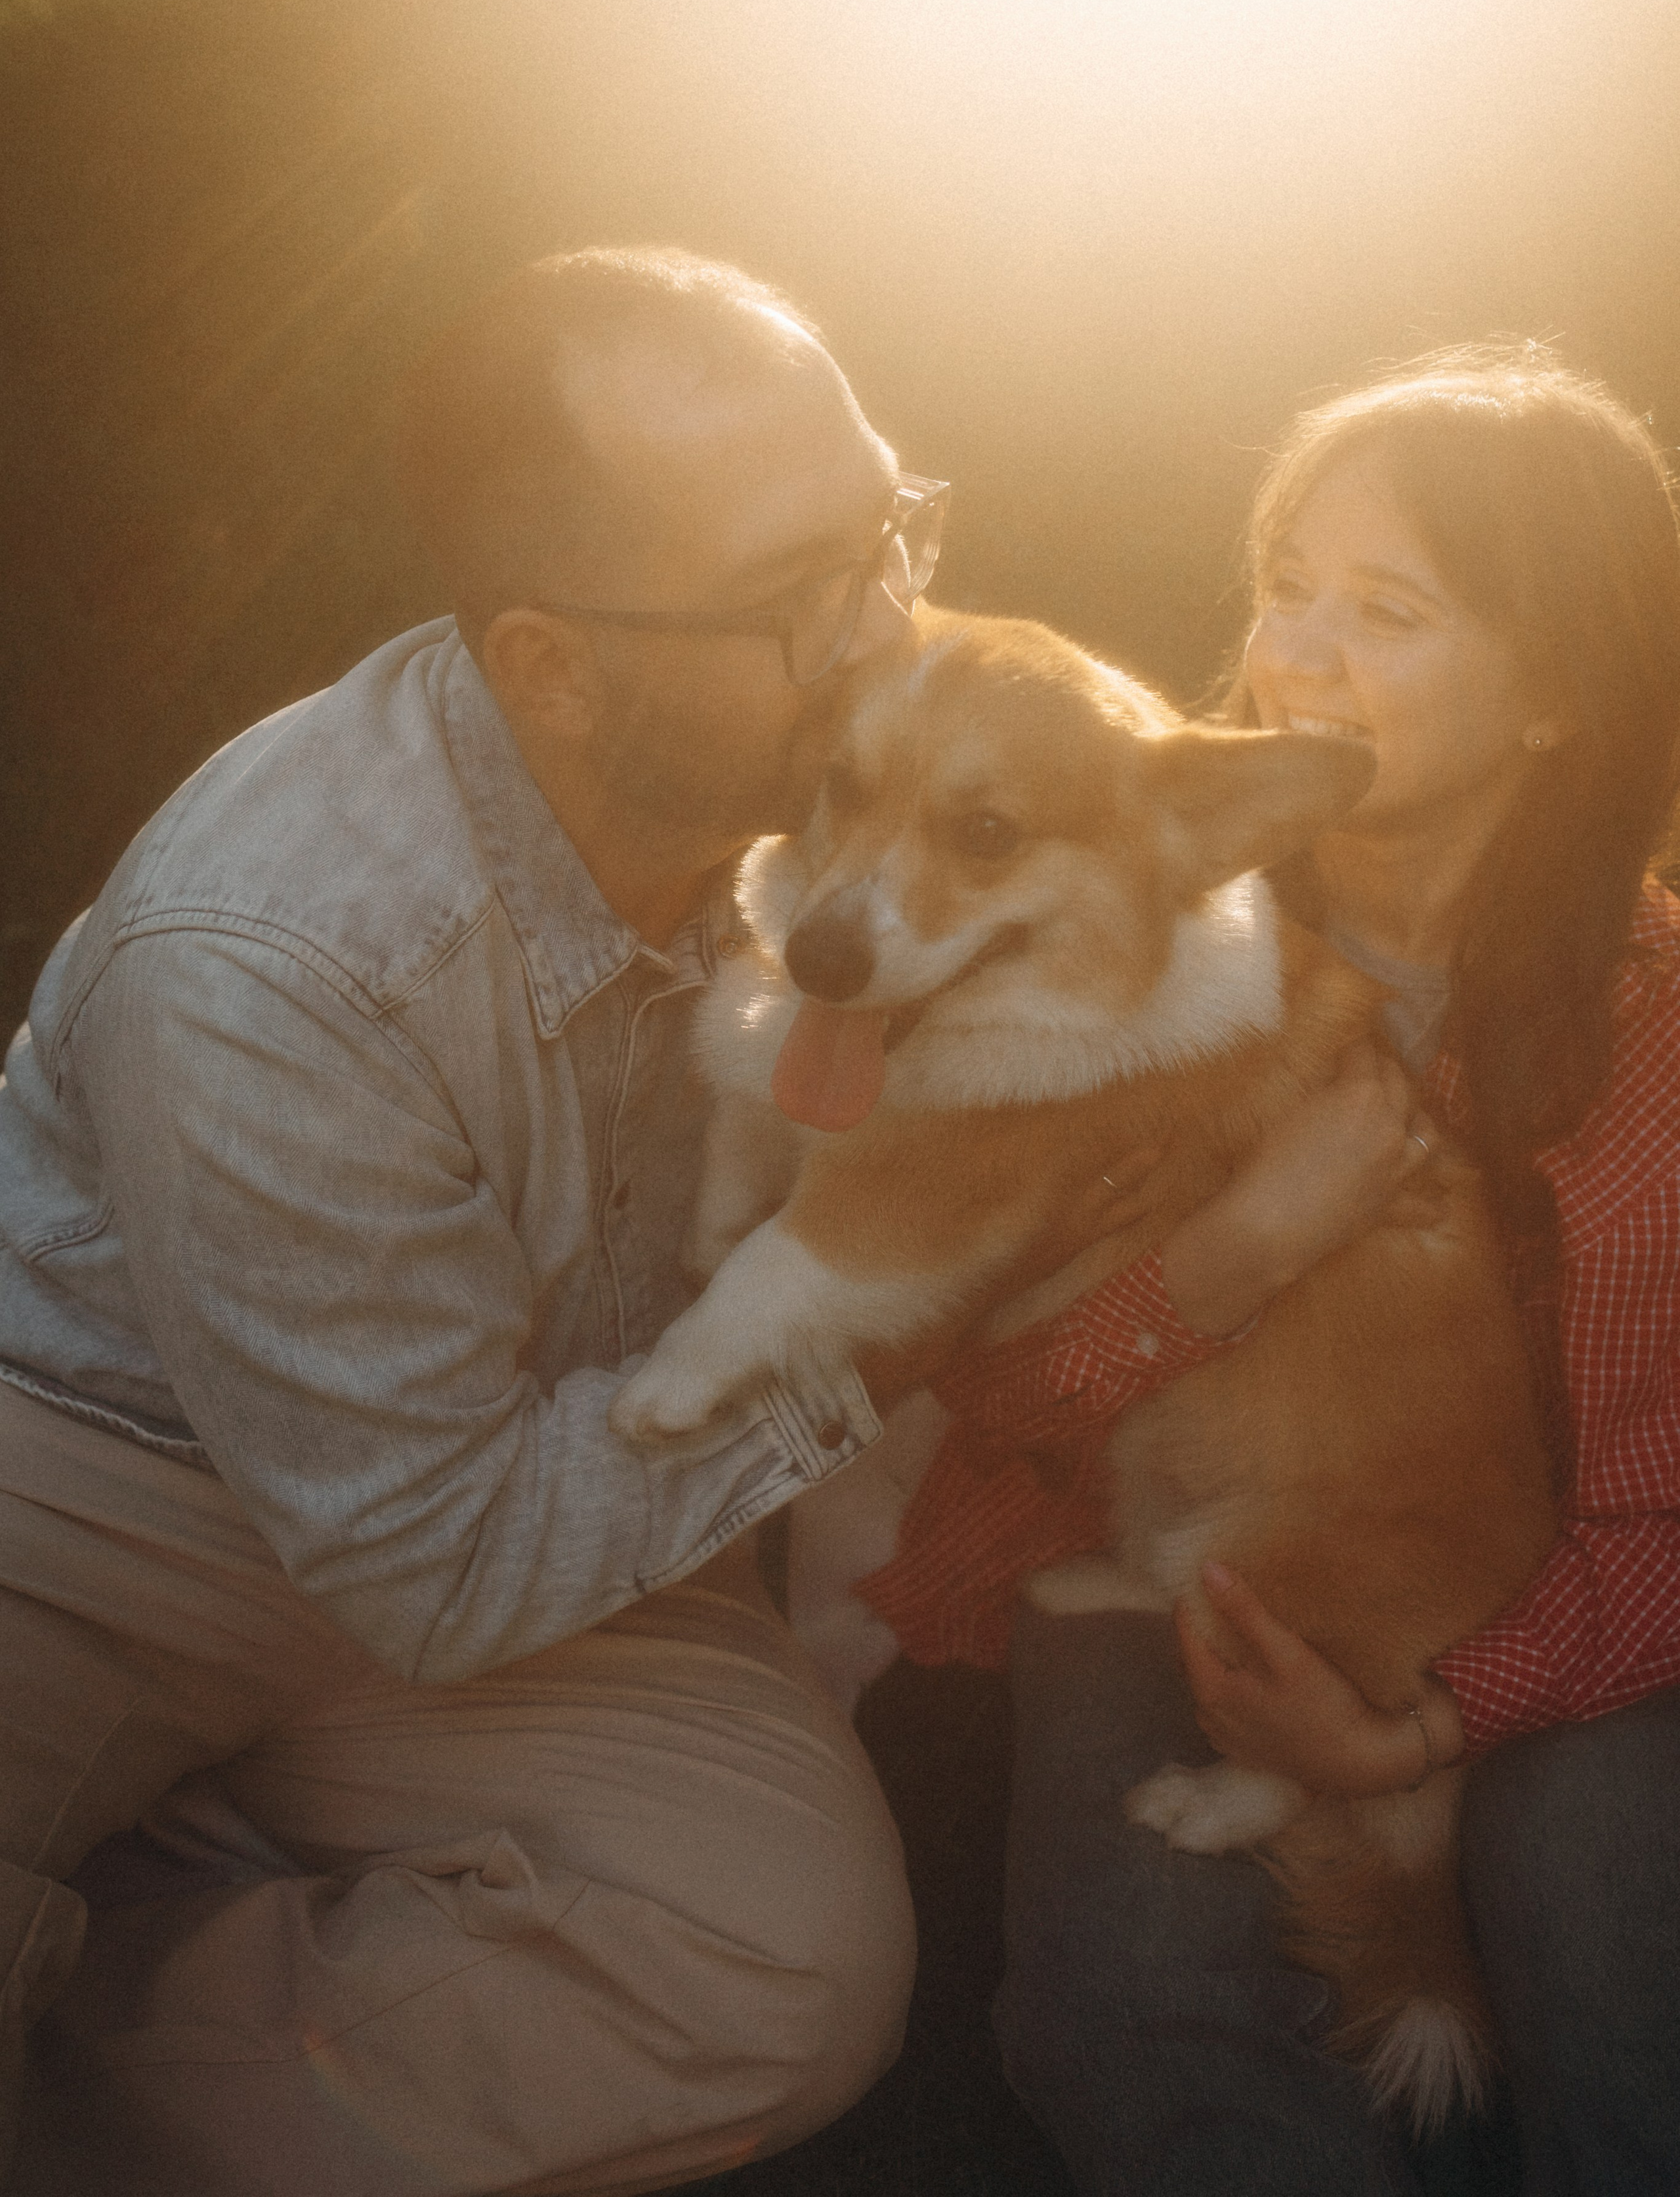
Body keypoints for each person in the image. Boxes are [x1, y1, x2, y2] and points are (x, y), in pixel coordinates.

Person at [0, 245, 952, 2196]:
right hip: (99, 1499)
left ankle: (98, 2021)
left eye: (894, 535)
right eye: (805, 593)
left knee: (785, 1964)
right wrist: (893, 1311)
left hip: (514, 1487)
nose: (892, 629)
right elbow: (431, 1565)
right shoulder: (275, 959)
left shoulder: (861, 789)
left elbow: (455, 1546)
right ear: (553, 667)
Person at [861, 343, 1680, 2195]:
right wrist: (1238, 1251)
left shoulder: (1655, 1037)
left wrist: (1433, 1718)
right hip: (1172, 1563)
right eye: (1287, 585)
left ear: (1558, 694)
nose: (1298, 652)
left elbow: (1665, 1518)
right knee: (1139, 1999)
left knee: (1603, 1920)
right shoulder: (1125, 938)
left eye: (1385, 612)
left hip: (1559, 1615)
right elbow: (984, 1395)